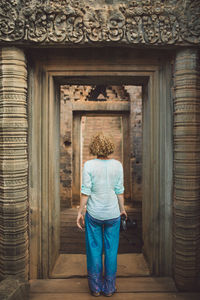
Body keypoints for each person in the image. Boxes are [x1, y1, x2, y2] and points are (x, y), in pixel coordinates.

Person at [76, 133, 127, 297]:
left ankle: (96, 288)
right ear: (110, 147)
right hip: (113, 214)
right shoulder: (118, 165)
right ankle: (110, 288)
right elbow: (119, 191)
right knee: (112, 251)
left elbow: (86, 192)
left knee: (94, 250)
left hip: (94, 214)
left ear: (94, 147)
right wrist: (122, 208)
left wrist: (80, 212)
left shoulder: (89, 165)